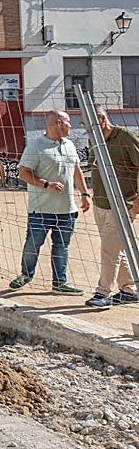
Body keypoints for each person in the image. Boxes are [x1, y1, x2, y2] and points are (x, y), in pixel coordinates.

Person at [10, 110, 91, 293]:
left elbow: (76, 170)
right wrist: (46, 184)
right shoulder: (36, 146)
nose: (71, 126)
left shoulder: (70, 145)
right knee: (33, 244)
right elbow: (23, 173)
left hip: (67, 209)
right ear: (58, 123)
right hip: (41, 209)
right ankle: (26, 274)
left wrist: (85, 194)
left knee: (62, 247)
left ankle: (59, 283)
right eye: (68, 122)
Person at [85, 108, 139, 309]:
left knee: (109, 251)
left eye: (87, 124)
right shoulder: (94, 139)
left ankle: (103, 293)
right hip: (100, 203)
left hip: (122, 204)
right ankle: (129, 290)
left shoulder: (125, 137)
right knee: (115, 249)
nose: (86, 128)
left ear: (101, 120)